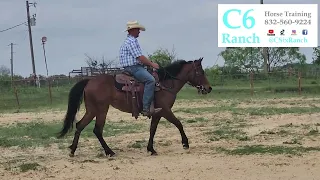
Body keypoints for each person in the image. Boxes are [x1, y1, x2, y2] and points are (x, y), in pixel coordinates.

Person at [119, 20, 162, 116]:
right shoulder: (131, 41)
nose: (139, 31)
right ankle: (146, 108)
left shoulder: (130, 41)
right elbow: (139, 57)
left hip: (134, 66)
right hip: (133, 68)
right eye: (138, 29)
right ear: (132, 30)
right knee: (150, 80)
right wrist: (151, 64)